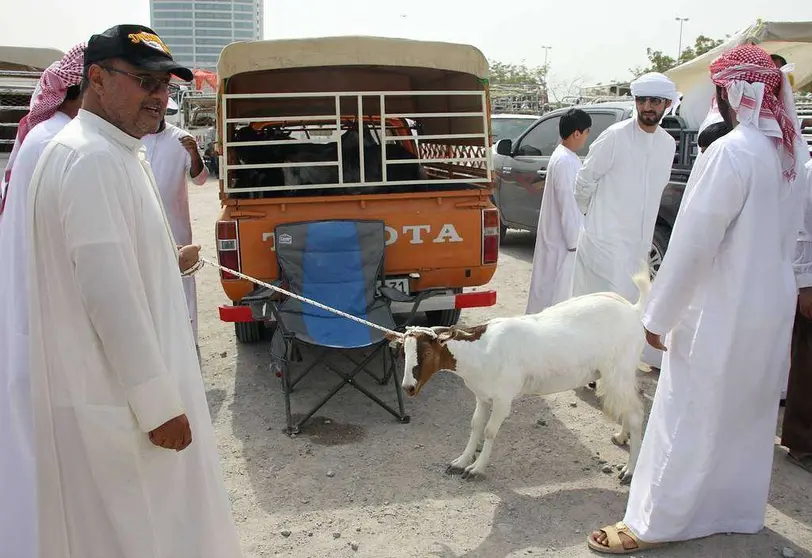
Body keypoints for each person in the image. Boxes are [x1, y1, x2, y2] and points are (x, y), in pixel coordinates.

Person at [25, 24, 242, 557]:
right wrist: (157, 406)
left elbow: (113, 261)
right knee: (139, 534)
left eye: (165, 85)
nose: (160, 97)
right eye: (145, 82)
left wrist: (169, 263)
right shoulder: (92, 157)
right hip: (118, 406)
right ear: (96, 78)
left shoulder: (116, 151)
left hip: (123, 399)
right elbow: (109, 297)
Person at [587, 44, 810, 555]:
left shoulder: (732, 152)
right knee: (747, 413)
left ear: (734, 91)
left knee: (688, 410)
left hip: (724, 307)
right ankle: (734, 511)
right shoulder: (792, 154)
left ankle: (655, 522)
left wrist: (658, 314)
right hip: (770, 306)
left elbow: (692, 245)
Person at [0, 43, 85, 558]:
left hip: (29, 310)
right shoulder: (59, 142)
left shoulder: (45, 139)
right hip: (45, 312)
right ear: (85, 86)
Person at [571, 72, 678, 366]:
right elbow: (585, 180)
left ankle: (613, 367)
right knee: (598, 308)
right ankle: (589, 367)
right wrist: (592, 219)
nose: (648, 107)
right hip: (604, 239)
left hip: (637, 243)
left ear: (666, 104)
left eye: (655, 101)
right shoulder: (615, 137)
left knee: (629, 305)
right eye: (642, 100)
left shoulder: (667, 144)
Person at [143, 116, 208, 343]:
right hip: (142, 224)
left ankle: (188, 339)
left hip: (175, 224)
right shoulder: (134, 136)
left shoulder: (181, 138)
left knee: (183, 278)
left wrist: (194, 154)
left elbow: (200, 179)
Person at [526, 108, 591, 313]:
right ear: (577, 133)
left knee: (549, 296)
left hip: (558, 241)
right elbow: (568, 204)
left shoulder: (566, 157)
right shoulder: (565, 161)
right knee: (556, 301)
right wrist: (575, 243)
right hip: (563, 244)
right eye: (587, 132)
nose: (587, 138)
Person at [782, 157, 812, 473]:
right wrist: (805, 285)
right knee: (807, 364)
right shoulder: (810, 172)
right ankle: (801, 444)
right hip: (811, 282)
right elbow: (803, 231)